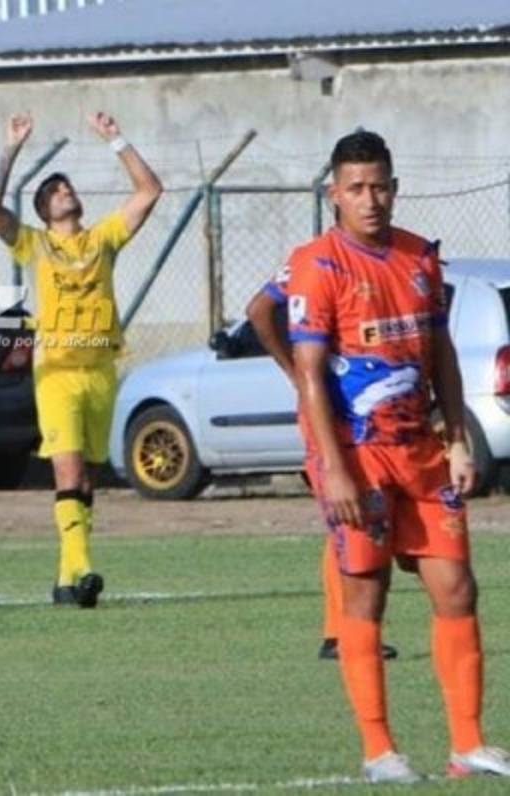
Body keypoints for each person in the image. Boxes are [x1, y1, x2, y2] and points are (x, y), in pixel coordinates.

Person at [285, 130, 508, 783]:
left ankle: (468, 744)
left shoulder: (419, 258)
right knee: (366, 593)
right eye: (356, 188)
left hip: (421, 451)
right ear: (334, 194)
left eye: (379, 186)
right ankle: (380, 751)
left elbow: (441, 355)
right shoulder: (317, 265)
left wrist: (457, 438)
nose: (370, 199)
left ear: (395, 188)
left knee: (457, 586)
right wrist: (333, 469)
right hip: (358, 456)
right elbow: (308, 370)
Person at [0, 111, 162, 607]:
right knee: (67, 471)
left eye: (68, 187)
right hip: (56, 373)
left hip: (100, 369)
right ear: (44, 209)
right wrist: (12, 147)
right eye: (56, 190)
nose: (66, 191)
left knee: (87, 478)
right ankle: (83, 567)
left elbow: (149, 190)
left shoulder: (102, 239)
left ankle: (67, 579)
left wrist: (115, 139)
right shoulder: (35, 244)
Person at [245, 274, 398, 662]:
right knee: (354, 518)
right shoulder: (316, 261)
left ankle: (343, 630)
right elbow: (259, 310)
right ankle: (343, 633)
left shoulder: (391, 260)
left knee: (361, 519)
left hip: (377, 407)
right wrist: (295, 372)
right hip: (334, 411)